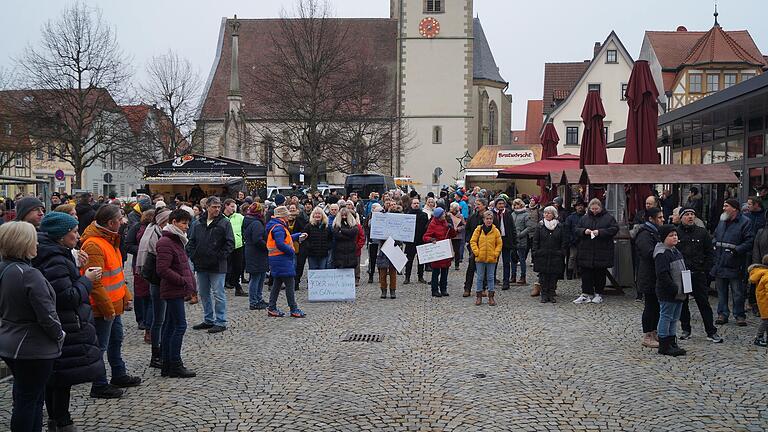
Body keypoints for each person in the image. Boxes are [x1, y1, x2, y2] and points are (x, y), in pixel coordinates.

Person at [34, 213, 113, 428]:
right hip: (65, 324)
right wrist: (86, 280)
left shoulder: (55, 253)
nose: (78, 236)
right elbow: (66, 297)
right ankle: (61, 421)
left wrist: (76, 265)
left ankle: (57, 419)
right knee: (61, 379)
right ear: (60, 235)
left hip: (63, 323)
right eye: (74, 231)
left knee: (57, 377)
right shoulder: (54, 259)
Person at [0, 222, 66, 431]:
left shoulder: (6, 268)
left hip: (10, 341)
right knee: (30, 400)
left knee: (26, 397)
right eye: (33, 239)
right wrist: (59, 335)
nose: (37, 242)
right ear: (24, 243)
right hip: (32, 346)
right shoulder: (28, 274)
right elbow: (47, 315)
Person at [80, 205, 142, 398]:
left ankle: (118, 374)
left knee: (116, 340)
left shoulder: (110, 239)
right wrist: (107, 309)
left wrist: (126, 296)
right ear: (111, 223)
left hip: (113, 305)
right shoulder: (94, 244)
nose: (124, 222)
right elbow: (95, 282)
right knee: (101, 346)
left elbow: (116, 274)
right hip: (103, 308)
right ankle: (99, 384)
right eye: (121, 218)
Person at [155, 209, 197, 378]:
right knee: (179, 326)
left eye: (187, 223)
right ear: (173, 222)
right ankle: (174, 364)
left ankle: (167, 364)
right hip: (173, 289)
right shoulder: (166, 241)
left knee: (170, 326)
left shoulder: (177, 239)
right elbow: (162, 269)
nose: (186, 226)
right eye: (183, 223)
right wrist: (182, 281)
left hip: (176, 288)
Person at [188, 196, 235, 334]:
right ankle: (208, 319)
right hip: (201, 264)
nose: (217, 209)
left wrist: (220, 256)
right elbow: (191, 241)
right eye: (214, 207)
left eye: (219, 207)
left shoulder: (224, 223)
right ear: (207, 207)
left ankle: (220, 321)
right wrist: (193, 255)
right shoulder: (198, 223)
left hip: (217, 265)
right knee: (203, 293)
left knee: (218, 293)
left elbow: (229, 243)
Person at [677, 207, 722, 343]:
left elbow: (710, 253)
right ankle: (686, 329)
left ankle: (711, 331)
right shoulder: (676, 233)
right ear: (681, 217)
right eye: (687, 215)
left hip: (698, 273)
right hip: (683, 273)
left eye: (692, 214)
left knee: (704, 303)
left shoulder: (702, 233)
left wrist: (705, 269)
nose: (690, 217)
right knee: (683, 303)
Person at [136, 208, 171, 367]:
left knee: (161, 319)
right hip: (157, 281)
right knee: (159, 319)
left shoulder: (154, 231)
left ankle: (161, 352)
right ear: (164, 221)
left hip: (157, 280)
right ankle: (156, 355)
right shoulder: (156, 235)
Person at [711, 198, 754, 326]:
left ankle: (739, 315)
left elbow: (749, 241)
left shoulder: (745, 222)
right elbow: (715, 237)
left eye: (726, 206)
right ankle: (722, 314)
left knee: (737, 292)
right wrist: (714, 248)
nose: (724, 208)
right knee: (721, 292)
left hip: (735, 262)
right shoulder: (722, 221)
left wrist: (736, 251)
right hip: (720, 262)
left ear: (734, 208)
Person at [573, 198, 619, 304]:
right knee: (586, 274)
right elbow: (576, 229)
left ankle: (598, 293)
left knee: (600, 273)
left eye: (596, 209)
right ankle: (586, 293)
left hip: (602, 251)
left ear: (600, 208)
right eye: (592, 209)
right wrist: (585, 231)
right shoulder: (584, 218)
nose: (594, 211)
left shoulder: (608, 218)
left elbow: (614, 229)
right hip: (586, 250)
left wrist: (601, 232)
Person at [265, 206, 306, 318]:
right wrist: (291, 251)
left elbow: (284, 240)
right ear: (283, 216)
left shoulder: (276, 226)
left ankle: (272, 307)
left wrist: (297, 236)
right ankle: (293, 309)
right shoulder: (279, 227)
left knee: (277, 284)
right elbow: (280, 243)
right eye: (287, 214)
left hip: (277, 259)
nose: (289, 216)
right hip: (282, 259)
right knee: (289, 284)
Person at [654, 224, 687, 357]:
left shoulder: (675, 251)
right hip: (669, 291)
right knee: (666, 316)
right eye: (671, 235)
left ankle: (672, 341)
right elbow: (662, 274)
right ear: (664, 238)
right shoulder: (662, 254)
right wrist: (673, 288)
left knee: (674, 318)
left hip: (679, 291)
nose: (675, 237)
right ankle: (664, 343)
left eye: (675, 235)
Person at [635, 208, 664, 348]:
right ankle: (647, 335)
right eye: (659, 217)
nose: (662, 219)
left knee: (656, 306)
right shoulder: (645, 234)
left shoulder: (656, 232)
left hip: (655, 275)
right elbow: (648, 253)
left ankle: (653, 332)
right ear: (651, 219)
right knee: (650, 305)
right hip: (648, 275)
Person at [125, 209, 155, 339]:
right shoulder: (136, 227)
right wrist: (142, 250)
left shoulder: (155, 228)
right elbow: (128, 244)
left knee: (149, 294)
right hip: (140, 263)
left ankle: (148, 320)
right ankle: (141, 319)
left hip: (152, 264)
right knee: (140, 293)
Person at [532, 206, 568, 303]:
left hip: (556, 255)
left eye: (549, 213)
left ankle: (551, 294)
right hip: (542, 254)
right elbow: (535, 240)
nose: (547, 214)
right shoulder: (540, 226)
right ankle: (544, 294)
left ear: (554, 214)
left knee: (553, 276)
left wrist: (562, 253)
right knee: (543, 276)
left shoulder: (559, 226)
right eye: (545, 213)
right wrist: (535, 252)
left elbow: (563, 241)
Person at [469, 210, 502, 306]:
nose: (489, 220)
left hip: (492, 258)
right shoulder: (478, 230)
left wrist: (495, 254)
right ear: (483, 220)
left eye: (490, 219)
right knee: (480, 277)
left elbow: (499, 244)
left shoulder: (496, 231)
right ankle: (479, 296)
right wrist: (476, 252)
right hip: (480, 258)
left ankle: (491, 297)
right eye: (487, 219)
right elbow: (473, 241)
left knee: (491, 277)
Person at [423, 207, 456, 297]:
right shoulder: (433, 224)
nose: (444, 215)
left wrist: (451, 228)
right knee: (436, 272)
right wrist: (431, 239)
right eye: (443, 214)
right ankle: (434, 290)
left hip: (445, 251)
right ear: (439, 216)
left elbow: (453, 235)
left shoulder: (446, 223)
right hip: (437, 252)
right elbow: (425, 236)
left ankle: (443, 289)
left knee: (445, 272)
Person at [243, 203, 269, 310]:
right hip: (257, 253)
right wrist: (267, 246)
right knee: (256, 278)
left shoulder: (248, 220)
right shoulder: (256, 223)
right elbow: (257, 239)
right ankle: (254, 301)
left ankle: (258, 299)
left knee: (259, 277)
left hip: (252, 252)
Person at [463, 198, 488, 297]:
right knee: (471, 267)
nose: (476, 206)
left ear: (484, 206)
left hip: (486, 246)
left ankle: (483, 288)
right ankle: (467, 288)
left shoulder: (490, 217)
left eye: (478, 204)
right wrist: (469, 242)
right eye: (476, 204)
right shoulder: (472, 217)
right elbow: (468, 230)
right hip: (474, 246)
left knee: (485, 268)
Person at [492, 197, 517, 291]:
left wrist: (514, 241)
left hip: (506, 240)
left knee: (506, 262)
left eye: (502, 204)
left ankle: (506, 282)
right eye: (499, 204)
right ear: (496, 205)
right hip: (495, 241)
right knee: (494, 261)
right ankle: (492, 280)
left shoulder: (508, 213)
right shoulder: (493, 214)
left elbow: (512, 227)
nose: (501, 205)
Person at [223, 199, 246, 296]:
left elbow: (244, 228)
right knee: (226, 267)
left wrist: (243, 239)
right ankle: (225, 283)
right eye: (232, 206)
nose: (234, 208)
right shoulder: (221, 218)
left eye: (235, 206)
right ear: (226, 206)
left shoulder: (239, 217)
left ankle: (237, 286)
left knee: (238, 267)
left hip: (238, 245)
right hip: (225, 246)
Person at [404, 198, 429, 285]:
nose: (416, 205)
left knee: (421, 260)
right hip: (410, 241)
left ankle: (420, 277)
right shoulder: (407, 215)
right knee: (409, 260)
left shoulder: (424, 215)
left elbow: (427, 228)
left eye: (417, 203)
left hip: (421, 240)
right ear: (411, 205)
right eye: (414, 203)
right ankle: (407, 277)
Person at [510, 199, 531, 288]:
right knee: (513, 259)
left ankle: (523, 276)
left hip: (522, 240)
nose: (516, 206)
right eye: (515, 205)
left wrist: (520, 234)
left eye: (517, 204)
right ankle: (513, 276)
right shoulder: (512, 214)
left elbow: (529, 227)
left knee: (522, 259)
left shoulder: (526, 215)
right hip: (513, 240)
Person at [748, 255, 768, 347]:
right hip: (766, 303)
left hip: (763, 301)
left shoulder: (761, 273)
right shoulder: (767, 275)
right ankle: (758, 337)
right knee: (765, 321)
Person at [564, 200, 585, 280]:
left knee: (582, 257)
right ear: (575, 207)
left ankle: (580, 272)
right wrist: (571, 240)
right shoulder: (571, 217)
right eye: (578, 205)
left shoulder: (586, 217)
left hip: (583, 241)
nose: (580, 207)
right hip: (573, 241)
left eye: (582, 205)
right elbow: (567, 230)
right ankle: (570, 272)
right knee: (572, 257)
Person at [366, 203, 384, 284]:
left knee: (381, 259)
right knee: (372, 259)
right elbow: (368, 225)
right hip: (373, 241)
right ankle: (371, 275)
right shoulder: (370, 217)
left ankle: (381, 275)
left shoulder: (384, 218)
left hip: (381, 241)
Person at [448, 202, 466, 271]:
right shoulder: (448, 215)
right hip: (450, 235)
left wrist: (458, 229)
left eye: (451, 207)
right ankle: (448, 263)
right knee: (449, 250)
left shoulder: (460, 216)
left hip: (457, 235)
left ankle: (457, 264)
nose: (450, 209)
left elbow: (464, 225)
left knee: (457, 251)